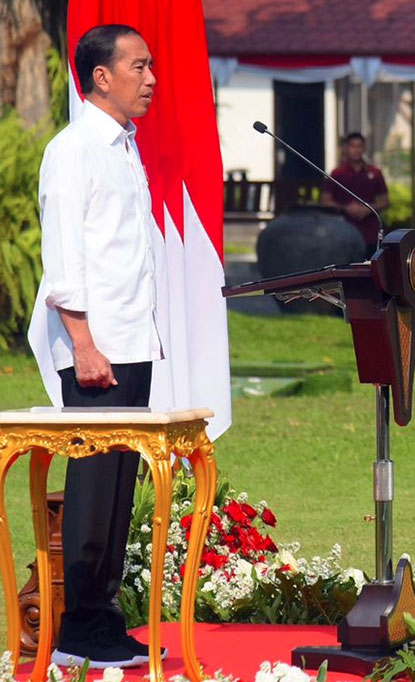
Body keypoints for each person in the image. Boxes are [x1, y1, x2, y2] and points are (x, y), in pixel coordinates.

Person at [37, 24, 163, 668]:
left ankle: (104, 617)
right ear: (101, 76)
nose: (151, 78)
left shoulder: (121, 146)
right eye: (138, 66)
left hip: (132, 341)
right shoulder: (75, 148)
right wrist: (83, 344)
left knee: (120, 485)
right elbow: (65, 259)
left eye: (151, 66)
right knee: (94, 487)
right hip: (96, 347)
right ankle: (78, 627)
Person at [323, 132, 389, 259]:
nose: (356, 150)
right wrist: (346, 208)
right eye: (352, 146)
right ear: (346, 149)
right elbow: (326, 201)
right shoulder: (337, 174)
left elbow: (385, 201)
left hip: (370, 232)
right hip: (344, 231)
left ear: (364, 149)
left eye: (359, 146)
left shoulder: (375, 173)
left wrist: (368, 208)